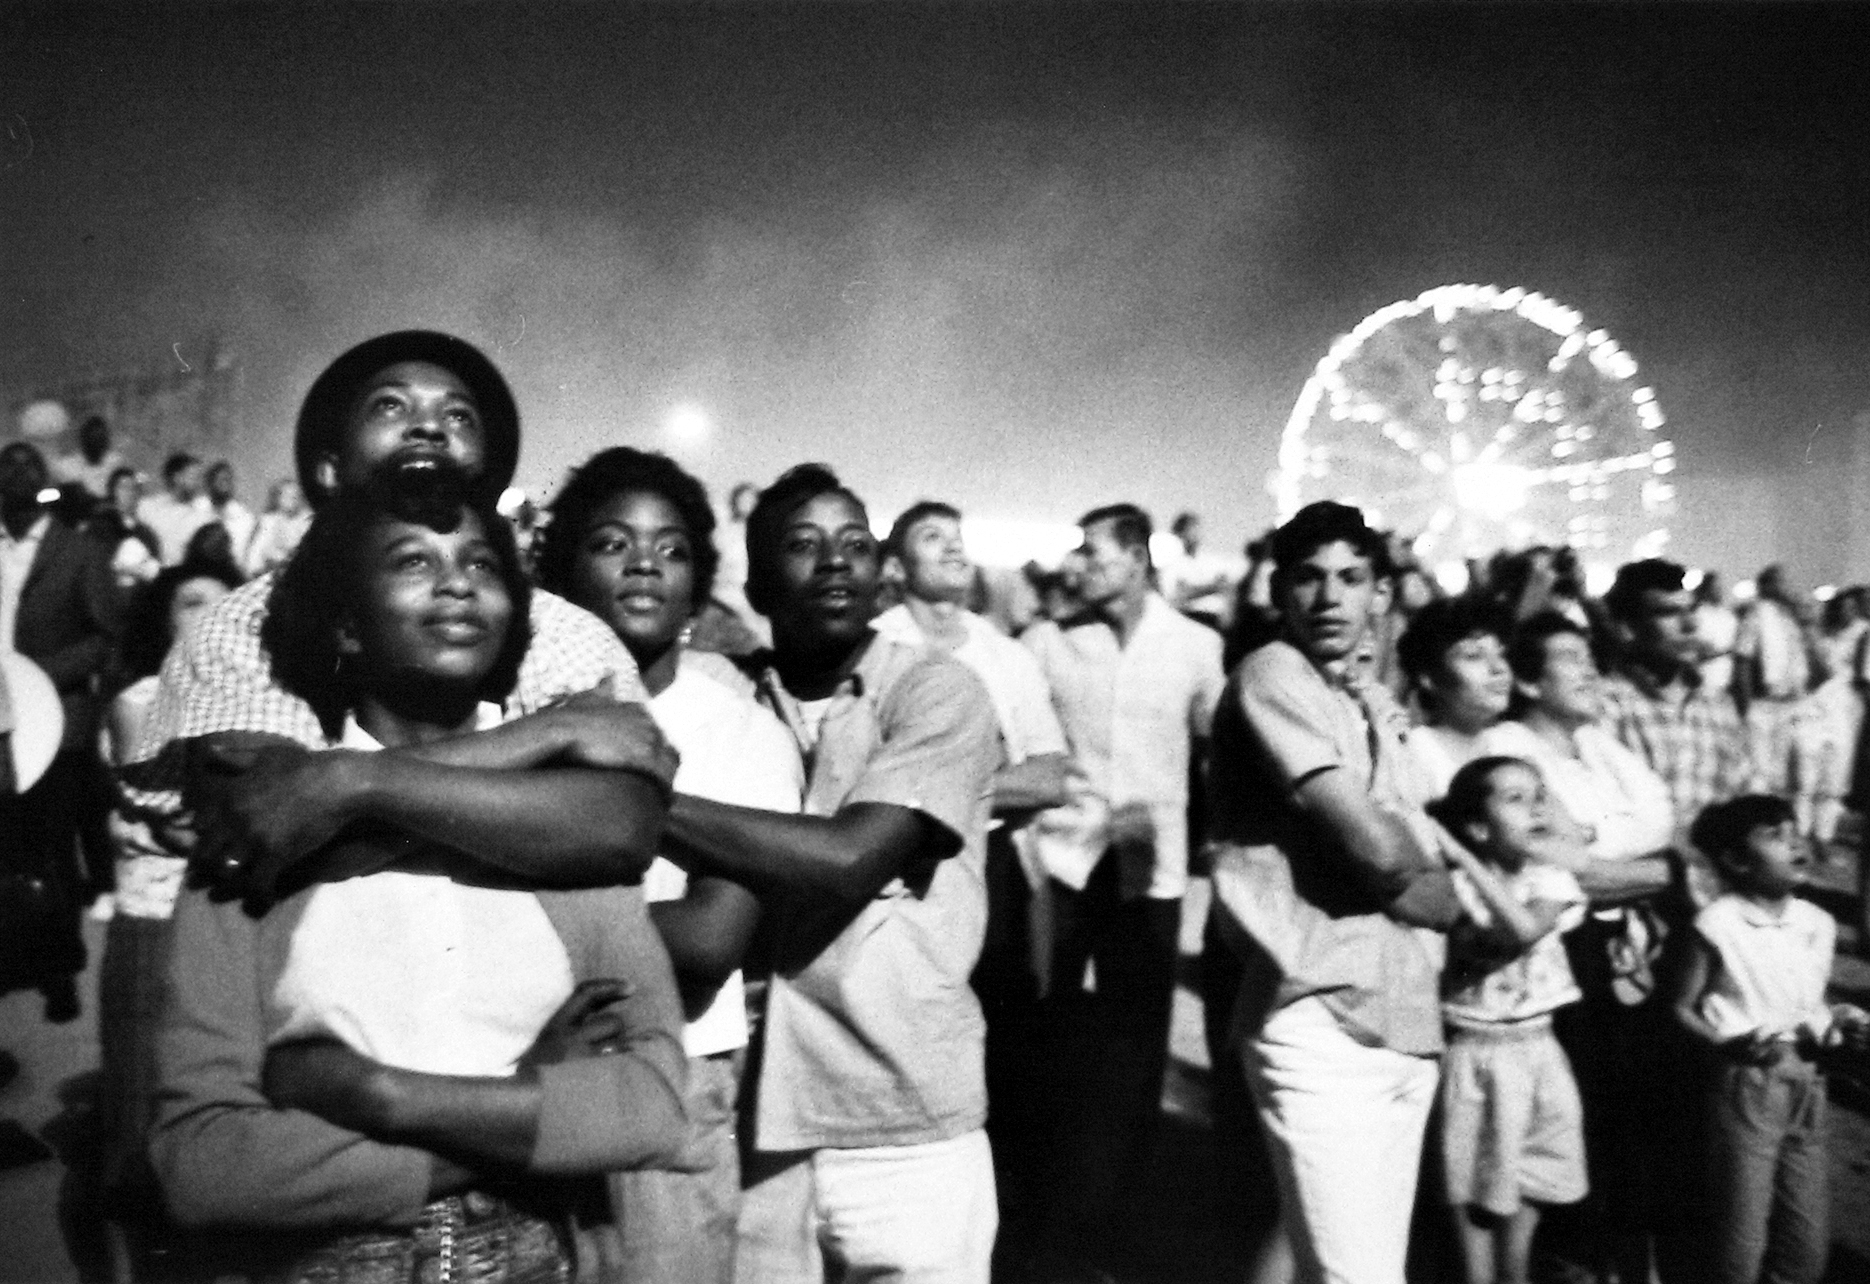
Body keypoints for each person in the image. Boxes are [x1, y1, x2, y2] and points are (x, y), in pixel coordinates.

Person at [149, 469, 689, 1279]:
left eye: (482, 564)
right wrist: (530, 1101)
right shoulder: (267, 821)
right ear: (346, 628)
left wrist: (376, 1095)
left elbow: (652, 1107)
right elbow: (202, 1164)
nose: (457, 585)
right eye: (412, 562)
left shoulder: (570, 824)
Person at [121, 330, 675, 911]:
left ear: (485, 476)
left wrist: (337, 783)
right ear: (330, 470)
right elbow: (261, 824)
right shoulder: (242, 623)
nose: (430, 427)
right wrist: (548, 734)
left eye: (459, 416)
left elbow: (615, 826)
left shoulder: (562, 631)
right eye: (391, 405)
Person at [659, 464, 1002, 1283]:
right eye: (804, 547)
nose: (837, 564)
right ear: (760, 583)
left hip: (903, 1119)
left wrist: (646, 805)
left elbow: (849, 859)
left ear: (883, 572)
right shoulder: (725, 698)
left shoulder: (936, 690)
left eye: (855, 545)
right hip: (754, 1128)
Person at [534, 446, 804, 1284]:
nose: (645, 561)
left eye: (672, 547)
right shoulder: (514, 714)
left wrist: (511, 924)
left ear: (698, 585)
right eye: (612, 542)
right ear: (564, 568)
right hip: (524, 1067)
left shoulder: (737, 731)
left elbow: (711, 938)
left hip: (674, 1077)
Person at [1206, 501, 1464, 1284]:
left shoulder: (1361, 699)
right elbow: (1387, 858)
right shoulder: (1273, 674)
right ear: (1278, 592)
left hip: (1401, 1015)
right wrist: (1439, 890)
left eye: (1351, 579)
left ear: (1382, 595)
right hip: (1319, 1013)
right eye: (1309, 580)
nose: (1329, 599)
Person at [1021, 502, 1224, 1254]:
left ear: (1138, 559)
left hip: (1153, 869)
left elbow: (1215, 750)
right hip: (1066, 858)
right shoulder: (1050, 642)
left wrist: (1209, 839)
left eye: (1095, 553)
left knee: (1139, 1038)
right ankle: (1048, 1194)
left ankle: (1125, 1205)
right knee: (1054, 1024)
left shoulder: (1197, 645)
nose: (1080, 566)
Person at [874, 499, 1075, 1222]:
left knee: (1005, 1051)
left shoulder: (1004, 654)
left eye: (960, 539)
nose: (955, 551)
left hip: (992, 878)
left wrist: (942, 785)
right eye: (934, 538)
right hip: (894, 876)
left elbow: (1050, 775)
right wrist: (987, 779)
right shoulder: (873, 648)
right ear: (896, 568)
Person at [95, 560, 243, 1272]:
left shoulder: (253, 698)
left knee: (216, 1130)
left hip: (227, 921)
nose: (209, 618)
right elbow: (188, 822)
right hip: (156, 924)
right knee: (145, 1129)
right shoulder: (141, 701)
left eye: (224, 604)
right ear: (163, 617)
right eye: (191, 604)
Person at [1669, 795, 1870, 1284]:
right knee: (1744, 1228)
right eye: (1775, 836)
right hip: (1749, 1081)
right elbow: (1680, 1007)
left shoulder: (1815, 923)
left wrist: (1838, 1021)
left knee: (1806, 1234)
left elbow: (1806, 1001)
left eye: (1794, 831)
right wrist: (1723, 1043)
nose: (1795, 843)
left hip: (1808, 1078)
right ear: (1737, 860)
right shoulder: (1718, 923)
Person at [1428, 758, 1591, 1284]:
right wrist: (1460, 862)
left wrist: (1461, 856)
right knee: (1475, 1188)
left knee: (1535, 1176)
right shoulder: (1453, 890)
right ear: (1477, 827)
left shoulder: (1549, 879)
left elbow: (1522, 928)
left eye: (1539, 795)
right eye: (1516, 798)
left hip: (1541, 1047)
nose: (1537, 806)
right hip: (1477, 1053)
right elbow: (1502, 934)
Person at [0, 440, 123, 1018]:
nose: (18, 477)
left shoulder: (77, 552)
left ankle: (60, 967)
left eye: (29, 468)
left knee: (52, 849)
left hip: (55, 724)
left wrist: (36, 676)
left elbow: (106, 637)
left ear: (45, 482)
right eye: (7, 468)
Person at [1598, 558, 1755, 832]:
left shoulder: (1718, 705)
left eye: (1691, 610)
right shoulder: (1607, 704)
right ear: (1628, 628)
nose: (1690, 625)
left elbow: (1743, 793)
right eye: (1669, 613)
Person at [1396, 595, 1514, 792]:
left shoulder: (1512, 743)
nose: (1498, 668)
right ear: (1429, 677)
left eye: (1501, 654)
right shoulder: (1414, 754)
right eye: (1473, 656)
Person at [87, 466, 163, 589]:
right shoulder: (99, 527)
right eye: (124, 487)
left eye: (135, 488)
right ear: (112, 491)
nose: (130, 493)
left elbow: (155, 566)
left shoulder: (146, 533)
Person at [136, 451, 215, 566]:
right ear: (177, 478)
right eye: (194, 477)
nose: (199, 483)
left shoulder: (202, 517)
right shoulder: (147, 508)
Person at [245, 477, 313, 577]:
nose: (292, 500)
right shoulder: (268, 522)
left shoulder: (307, 520)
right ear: (278, 498)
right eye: (286, 496)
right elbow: (257, 556)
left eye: (295, 496)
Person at [205, 460, 257, 569]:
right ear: (210, 483)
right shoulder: (198, 510)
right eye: (220, 480)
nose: (224, 484)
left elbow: (242, 552)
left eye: (228, 480)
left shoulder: (244, 517)